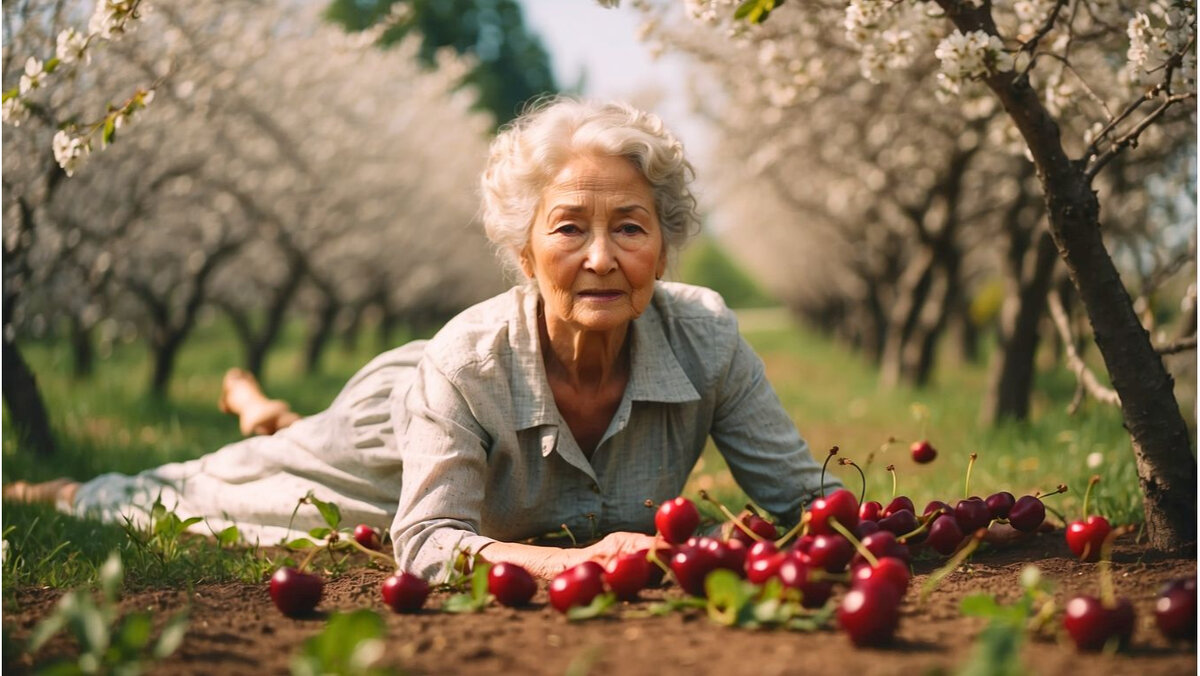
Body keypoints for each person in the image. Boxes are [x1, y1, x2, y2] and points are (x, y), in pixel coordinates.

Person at [3, 99, 834, 580]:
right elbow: (430, 542)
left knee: (272, 440)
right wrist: (574, 563)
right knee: (213, 491)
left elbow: (806, 504)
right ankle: (75, 492)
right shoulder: (466, 364)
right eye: (569, 227)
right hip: (389, 428)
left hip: (436, 411)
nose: (600, 258)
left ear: (665, 242)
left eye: (630, 227)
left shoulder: (707, 338)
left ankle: (260, 406)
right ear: (522, 250)